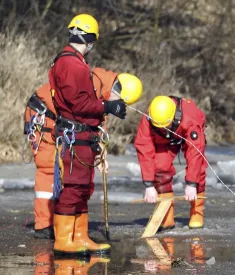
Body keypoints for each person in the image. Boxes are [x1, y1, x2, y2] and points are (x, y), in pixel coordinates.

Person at [24, 68, 141, 239]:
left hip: (60, 119)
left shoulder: (102, 88)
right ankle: (44, 224)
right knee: (49, 168)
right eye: (121, 103)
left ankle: (64, 218)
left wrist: (100, 151)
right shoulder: (91, 84)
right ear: (118, 92)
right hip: (43, 118)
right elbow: (84, 118)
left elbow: (97, 121)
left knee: (74, 169)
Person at [48, 13, 129, 256]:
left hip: (83, 135)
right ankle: (64, 240)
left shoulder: (71, 62)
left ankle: (80, 236)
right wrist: (108, 106)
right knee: (73, 188)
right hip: (76, 135)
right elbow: (80, 104)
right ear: (89, 38)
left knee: (84, 188)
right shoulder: (71, 65)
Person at [134, 95, 208, 231]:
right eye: (159, 127)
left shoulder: (190, 119)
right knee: (160, 167)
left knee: (199, 170)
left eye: (165, 126)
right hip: (164, 141)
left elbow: (195, 154)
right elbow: (144, 149)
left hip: (187, 134)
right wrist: (149, 184)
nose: (162, 128)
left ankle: (197, 212)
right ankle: (166, 214)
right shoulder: (149, 118)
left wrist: (191, 183)